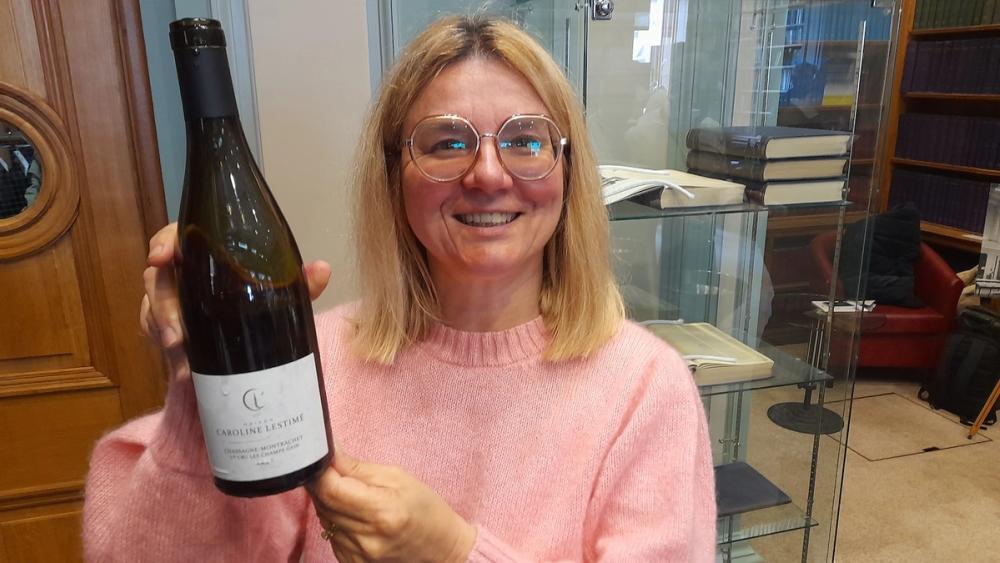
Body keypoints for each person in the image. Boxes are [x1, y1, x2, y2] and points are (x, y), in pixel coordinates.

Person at [83, 15, 715, 562]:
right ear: (393, 178)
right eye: (447, 143)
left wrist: (452, 553)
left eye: (525, 140)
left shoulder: (645, 390)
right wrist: (200, 393)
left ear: (568, 172)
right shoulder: (312, 367)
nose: (488, 175)